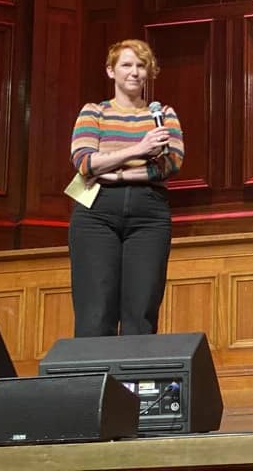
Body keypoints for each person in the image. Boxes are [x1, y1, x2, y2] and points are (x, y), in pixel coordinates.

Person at [68, 39, 185, 337]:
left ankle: (133, 383)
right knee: (95, 310)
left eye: (141, 65)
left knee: (141, 310)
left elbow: (169, 165)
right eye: (127, 65)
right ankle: (94, 383)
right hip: (96, 213)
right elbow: (85, 164)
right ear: (111, 71)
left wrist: (116, 175)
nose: (134, 72)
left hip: (149, 214)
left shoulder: (164, 115)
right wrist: (140, 149)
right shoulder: (94, 112)